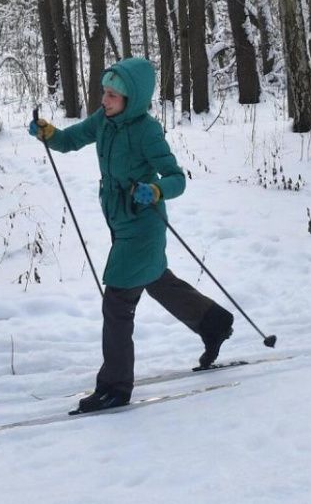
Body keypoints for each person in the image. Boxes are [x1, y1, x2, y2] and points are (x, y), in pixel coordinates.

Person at [29, 56, 234, 413]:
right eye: (104, 92)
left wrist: (156, 191)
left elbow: (176, 178)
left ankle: (115, 385)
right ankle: (213, 322)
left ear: (132, 99)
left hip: (144, 223)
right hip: (119, 219)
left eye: (112, 95)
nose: (105, 100)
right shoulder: (104, 122)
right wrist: (48, 133)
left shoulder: (146, 130)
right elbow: (69, 140)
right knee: (156, 280)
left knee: (118, 301)